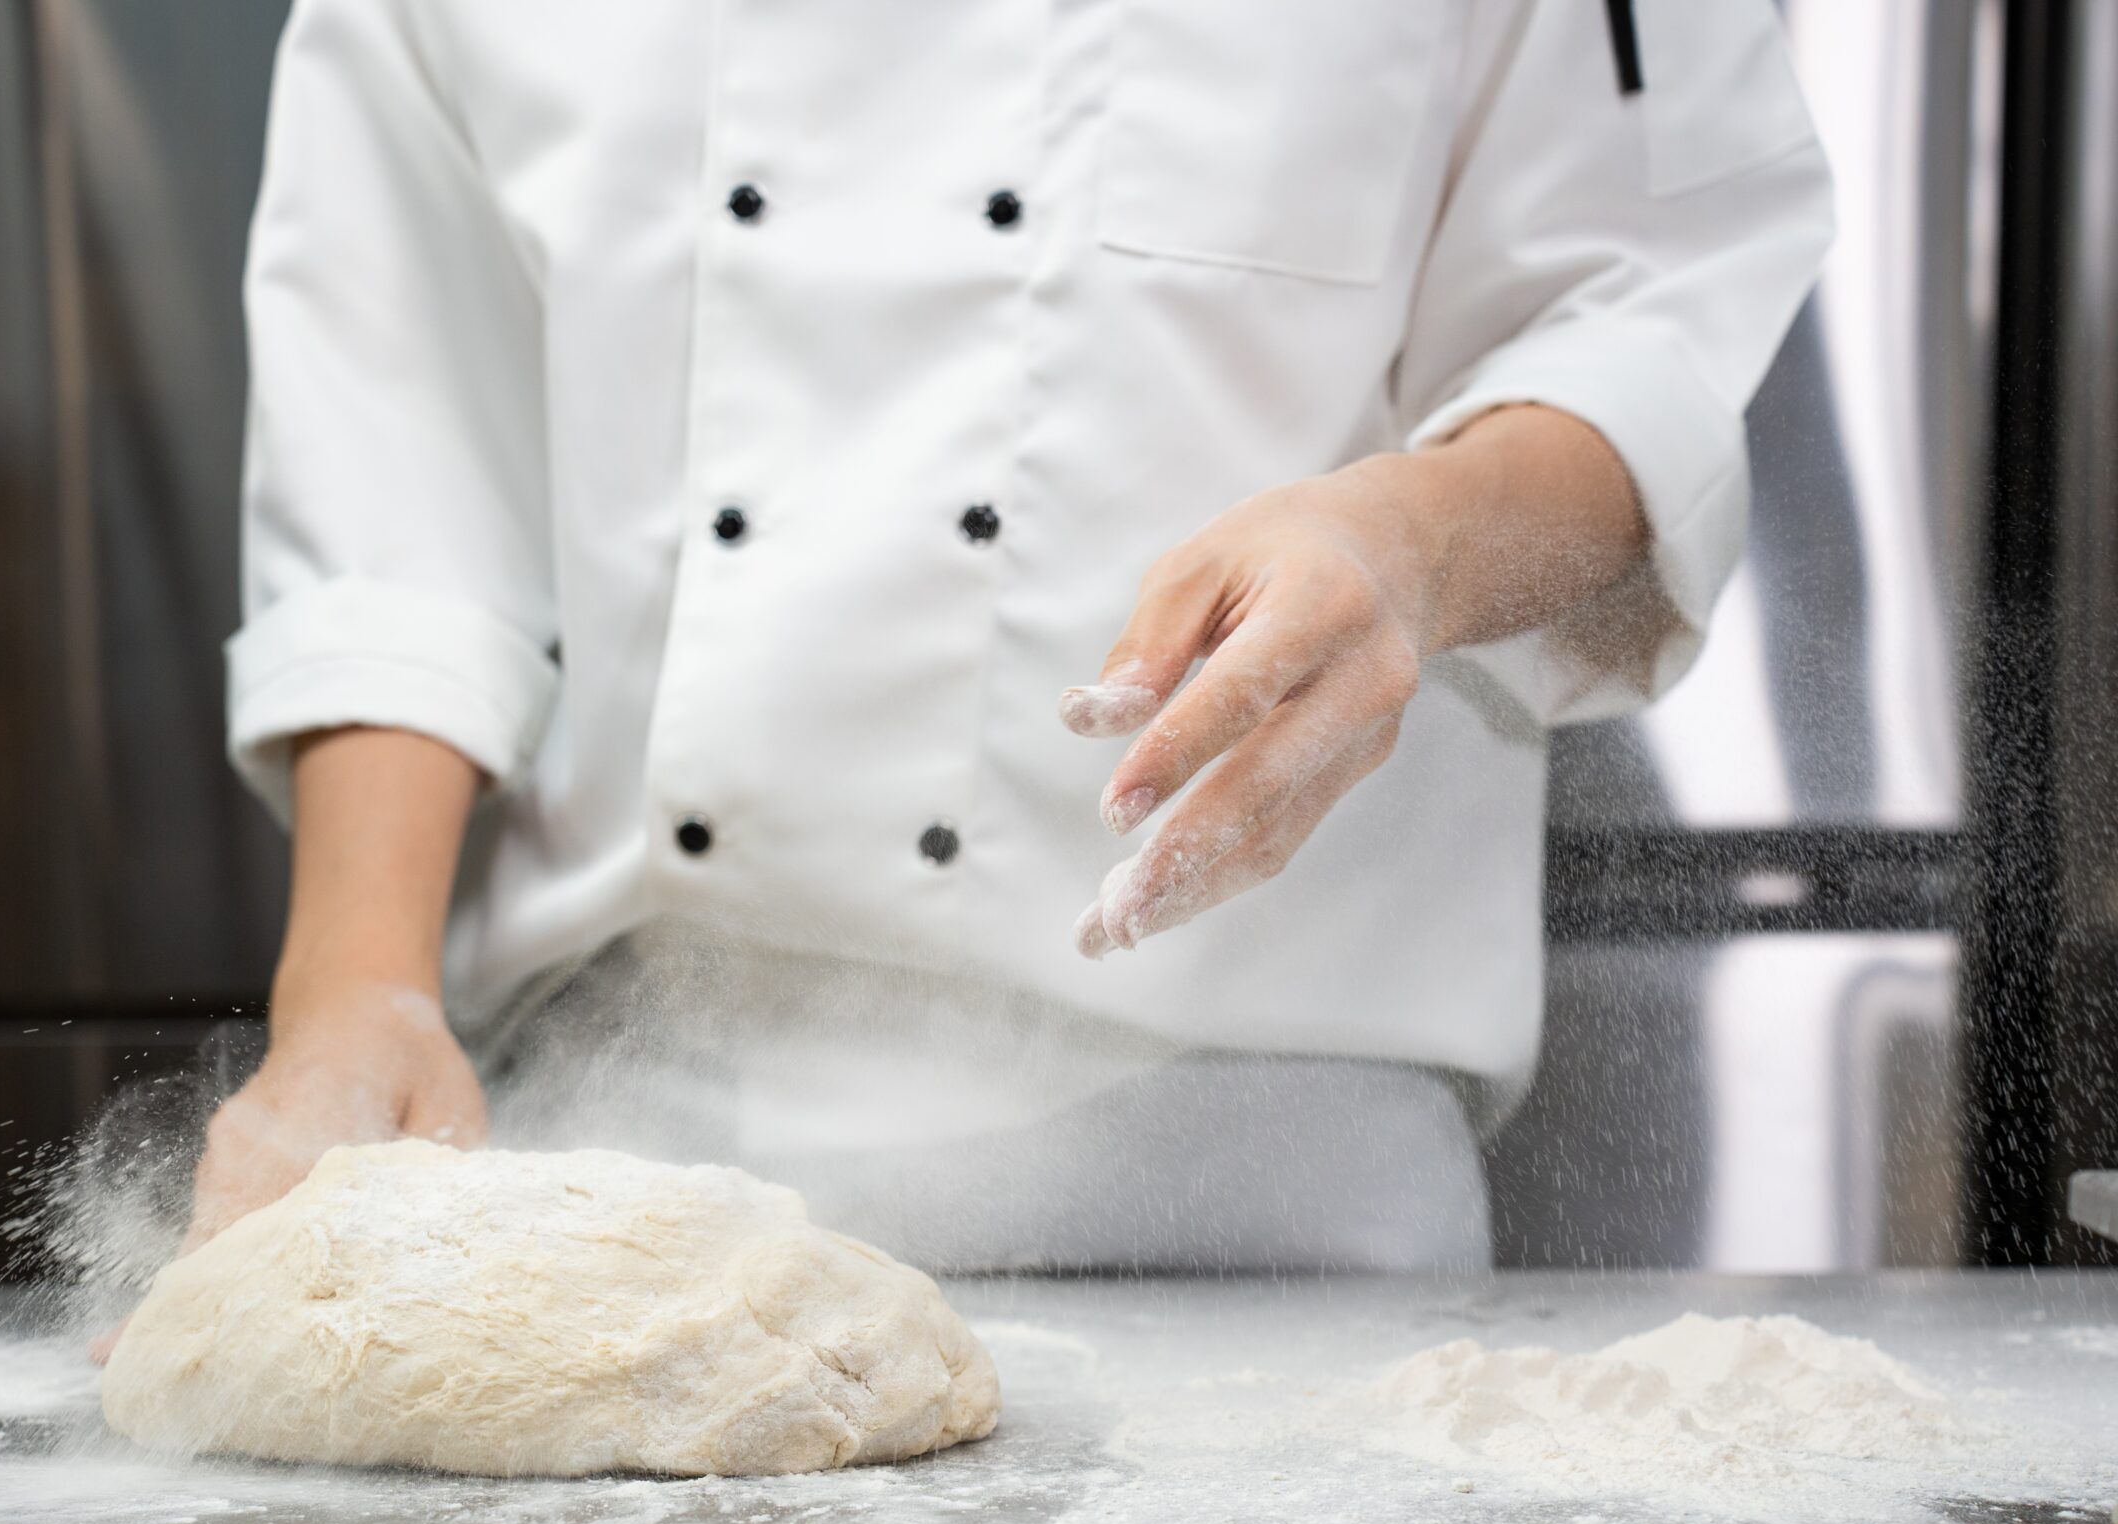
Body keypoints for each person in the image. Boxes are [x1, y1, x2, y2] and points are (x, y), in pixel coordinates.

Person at [191, 0, 1833, 1273]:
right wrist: (352, 997)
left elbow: (1639, 322)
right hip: (619, 1172)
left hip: (1286, 1215)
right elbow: (398, 466)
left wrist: (1415, 542)